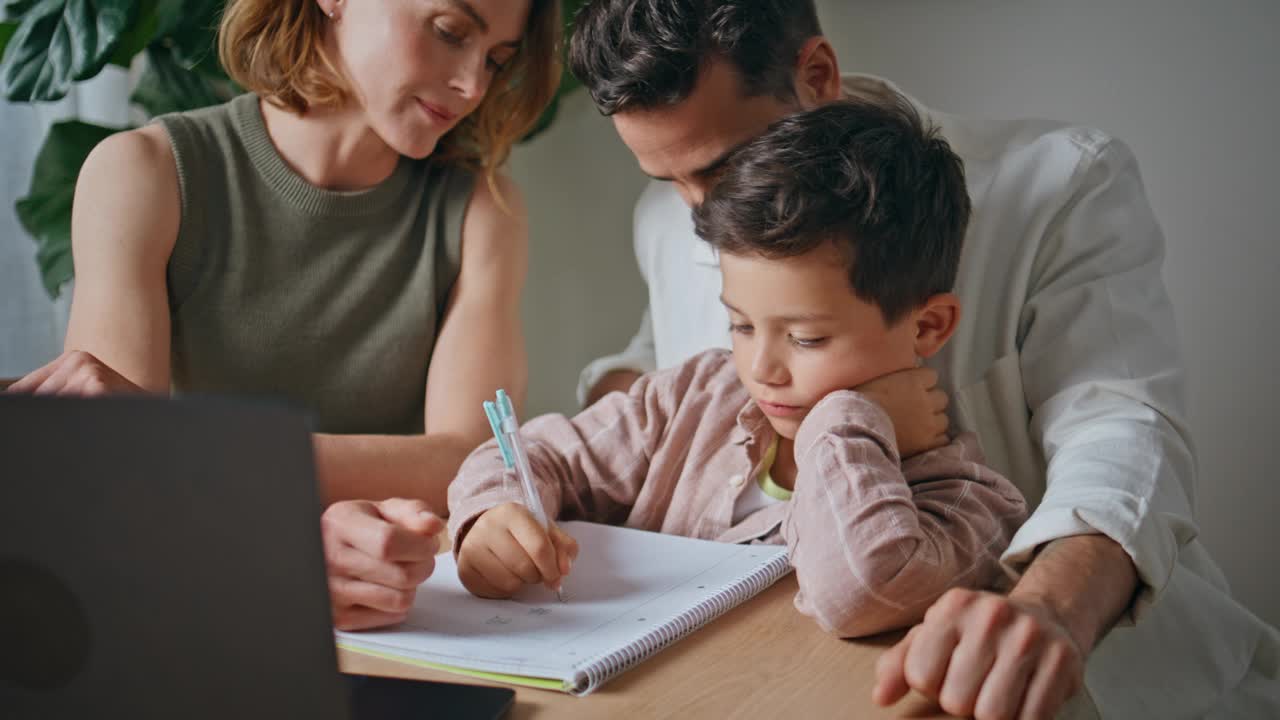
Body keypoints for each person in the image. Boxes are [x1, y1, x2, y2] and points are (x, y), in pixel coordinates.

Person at [568, 1, 1280, 718]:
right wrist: (576, 464)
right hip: (790, 679)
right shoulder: (665, 219)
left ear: (816, 74)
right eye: (667, 181)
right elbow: (659, 356)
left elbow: (1122, 429)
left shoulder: (1060, 186)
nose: (699, 213)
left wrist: (1051, 605)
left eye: (721, 166)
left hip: (1085, 678)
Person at [6, 0, 561, 631]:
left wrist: (192, 448)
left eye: (496, 60)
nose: (472, 85)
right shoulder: (145, 174)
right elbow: (119, 475)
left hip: (407, 622)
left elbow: (469, 459)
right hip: (195, 607)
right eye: (449, 31)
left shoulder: (481, 212)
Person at [446, 99, 1029, 640]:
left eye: (806, 338)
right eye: (742, 326)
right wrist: (496, 514)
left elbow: (862, 589)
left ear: (927, 327)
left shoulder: (964, 504)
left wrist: (851, 417)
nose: (761, 368)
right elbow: (526, 456)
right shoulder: (694, 398)